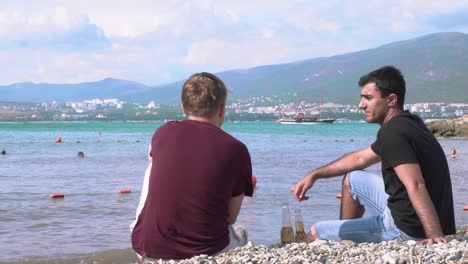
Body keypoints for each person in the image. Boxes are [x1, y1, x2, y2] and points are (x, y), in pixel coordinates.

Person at [291, 65, 455, 245]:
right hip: (416, 216)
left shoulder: (393, 133)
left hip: (406, 228)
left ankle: (342, 241)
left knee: (317, 231)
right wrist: (315, 175)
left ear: (391, 99)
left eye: (368, 98)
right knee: (353, 178)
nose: (361, 105)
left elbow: (415, 184)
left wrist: (434, 235)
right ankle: (348, 240)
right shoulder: (409, 122)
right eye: (362, 98)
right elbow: (359, 159)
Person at [131, 72, 254, 261]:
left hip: (145, 247)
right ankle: (239, 243)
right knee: (238, 236)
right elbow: (229, 218)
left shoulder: (162, 132)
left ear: (183, 107)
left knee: (153, 164)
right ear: (222, 110)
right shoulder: (236, 149)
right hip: (206, 252)